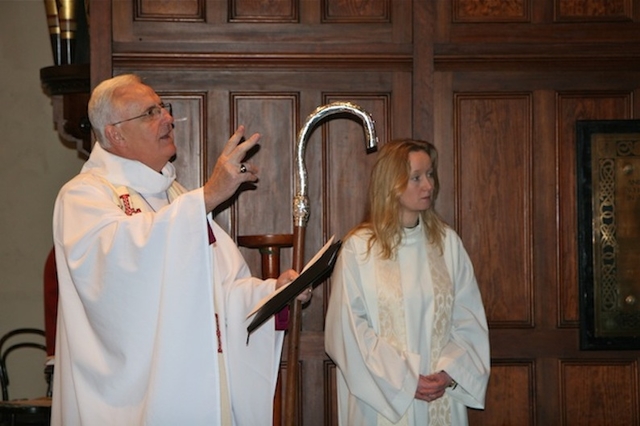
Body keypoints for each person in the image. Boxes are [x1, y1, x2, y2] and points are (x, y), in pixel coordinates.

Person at [51, 73, 309, 426]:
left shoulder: (173, 196)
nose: (168, 118)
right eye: (150, 113)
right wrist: (209, 195)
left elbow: (222, 292)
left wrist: (272, 295)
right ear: (115, 133)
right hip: (128, 405)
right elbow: (117, 278)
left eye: (163, 108)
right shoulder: (85, 196)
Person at [324, 139, 490, 425]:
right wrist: (404, 380)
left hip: (440, 397)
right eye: (416, 178)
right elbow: (348, 330)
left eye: (430, 174)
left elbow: (468, 318)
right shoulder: (359, 249)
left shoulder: (447, 244)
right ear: (391, 184)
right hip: (380, 401)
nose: (429, 186)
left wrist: (450, 372)